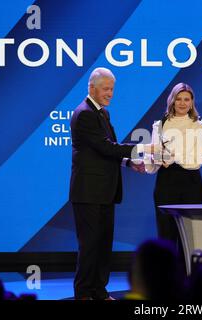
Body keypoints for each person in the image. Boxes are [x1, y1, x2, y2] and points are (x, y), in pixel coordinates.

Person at [69, 67, 154, 300]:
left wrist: (128, 162)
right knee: (89, 247)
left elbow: (107, 150)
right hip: (88, 193)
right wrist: (143, 148)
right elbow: (105, 147)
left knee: (103, 245)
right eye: (105, 89)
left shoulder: (102, 113)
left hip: (105, 192)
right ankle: (84, 294)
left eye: (112, 89)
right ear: (91, 88)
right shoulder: (84, 113)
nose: (109, 93)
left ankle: (99, 291)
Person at [144, 83, 202, 249]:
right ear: (172, 100)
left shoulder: (198, 126)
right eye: (178, 99)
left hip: (191, 183)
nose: (182, 103)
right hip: (166, 182)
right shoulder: (160, 125)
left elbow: (196, 160)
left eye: (186, 99)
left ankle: (188, 274)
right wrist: (155, 158)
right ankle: (167, 274)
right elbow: (154, 156)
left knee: (189, 235)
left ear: (192, 102)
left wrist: (172, 157)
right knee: (166, 233)